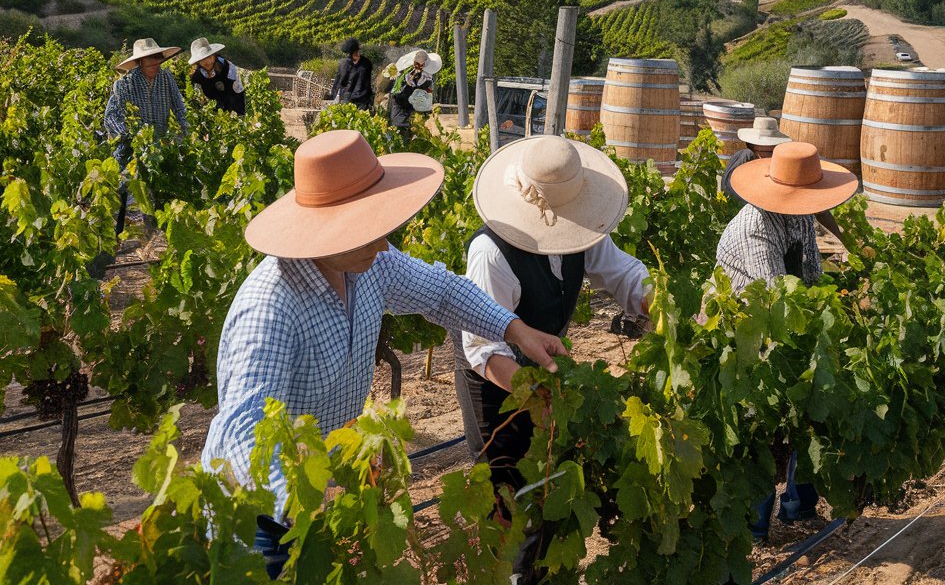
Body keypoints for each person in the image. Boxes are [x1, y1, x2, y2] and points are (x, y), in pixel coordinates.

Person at [200, 129, 568, 578]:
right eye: (365, 232)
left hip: (316, 491)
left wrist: (515, 329)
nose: (380, 245)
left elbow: (441, 291)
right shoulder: (271, 306)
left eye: (379, 229)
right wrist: (307, 501)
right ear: (323, 230)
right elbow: (244, 433)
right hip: (261, 515)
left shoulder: (368, 263)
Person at [453, 134, 650, 584]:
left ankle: (538, 572)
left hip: (544, 370)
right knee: (509, 496)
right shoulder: (491, 253)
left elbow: (622, 273)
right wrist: (537, 397)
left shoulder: (576, 230)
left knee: (546, 486)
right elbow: (484, 349)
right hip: (493, 381)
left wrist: (658, 306)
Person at [715, 140, 858, 540]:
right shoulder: (753, 229)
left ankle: (798, 508)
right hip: (745, 338)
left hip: (785, 331)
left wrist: (838, 302)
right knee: (760, 430)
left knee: (812, 414)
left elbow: (811, 275)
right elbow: (779, 299)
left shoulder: (799, 217)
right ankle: (755, 527)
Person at [103, 37, 189, 238]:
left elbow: (180, 108)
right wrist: (128, 135)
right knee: (123, 188)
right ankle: (116, 233)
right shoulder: (124, 84)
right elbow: (110, 116)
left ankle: (157, 234)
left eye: (158, 59)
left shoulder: (166, 78)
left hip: (158, 144)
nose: (155, 64)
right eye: (150, 60)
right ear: (140, 62)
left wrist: (187, 130)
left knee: (158, 188)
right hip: (129, 147)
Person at [722, 117, 848, 248]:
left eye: (775, 150)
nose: (772, 156)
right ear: (753, 147)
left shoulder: (782, 169)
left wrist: (842, 239)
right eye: (768, 152)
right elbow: (733, 199)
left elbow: (817, 208)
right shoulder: (744, 166)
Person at [388, 48, 441, 138]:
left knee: (410, 128)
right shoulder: (405, 72)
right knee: (395, 126)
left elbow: (427, 91)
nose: (419, 67)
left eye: (421, 65)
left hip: (412, 105)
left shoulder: (427, 77)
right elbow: (396, 90)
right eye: (417, 64)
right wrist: (409, 82)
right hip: (399, 102)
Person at [188, 37, 246, 115]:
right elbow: (200, 100)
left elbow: (239, 93)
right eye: (203, 59)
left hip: (234, 111)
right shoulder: (197, 77)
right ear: (198, 62)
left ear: (214, 56)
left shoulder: (228, 68)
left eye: (209, 57)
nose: (207, 62)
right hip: (213, 114)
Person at [328, 37, 373, 110]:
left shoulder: (366, 63)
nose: (357, 54)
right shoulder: (344, 64)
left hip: (362, 98)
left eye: (357, 51)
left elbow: (367, 81)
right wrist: (332, 96)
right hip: (347, 97)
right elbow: (338, 80)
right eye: (355, 52)